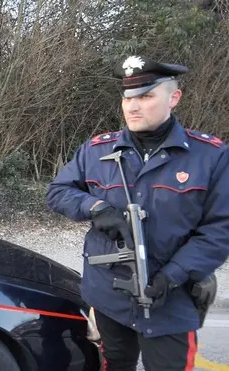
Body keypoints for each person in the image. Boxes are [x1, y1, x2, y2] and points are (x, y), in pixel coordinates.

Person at [46, 55, 229, 370]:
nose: (132, 106)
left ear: (173, 98)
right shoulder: (98, 151)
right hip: (109, 297)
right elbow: (58, 192)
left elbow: (220, 230)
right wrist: (96, 207)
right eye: (128, 97)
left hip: (172, 299)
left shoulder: (209, 157)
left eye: (146, 96)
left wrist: (172, 276)